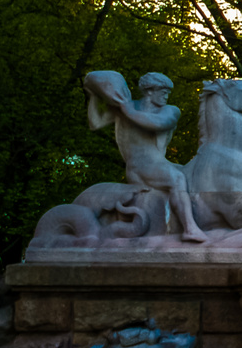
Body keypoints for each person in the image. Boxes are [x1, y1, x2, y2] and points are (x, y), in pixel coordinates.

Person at [84, 71, 207, 243]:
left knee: (194, 174)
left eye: (168, 93)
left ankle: (207, 222)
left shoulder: (170, 111)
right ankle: (190, 229)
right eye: (163, 92)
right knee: (178, 178)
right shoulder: (126, 107)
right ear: (149, 91)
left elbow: (157, 123)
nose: (166, 96)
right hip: (139, 167)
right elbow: (95, 123)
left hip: (160, 165)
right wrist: (94, 96)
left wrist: (127, 110)